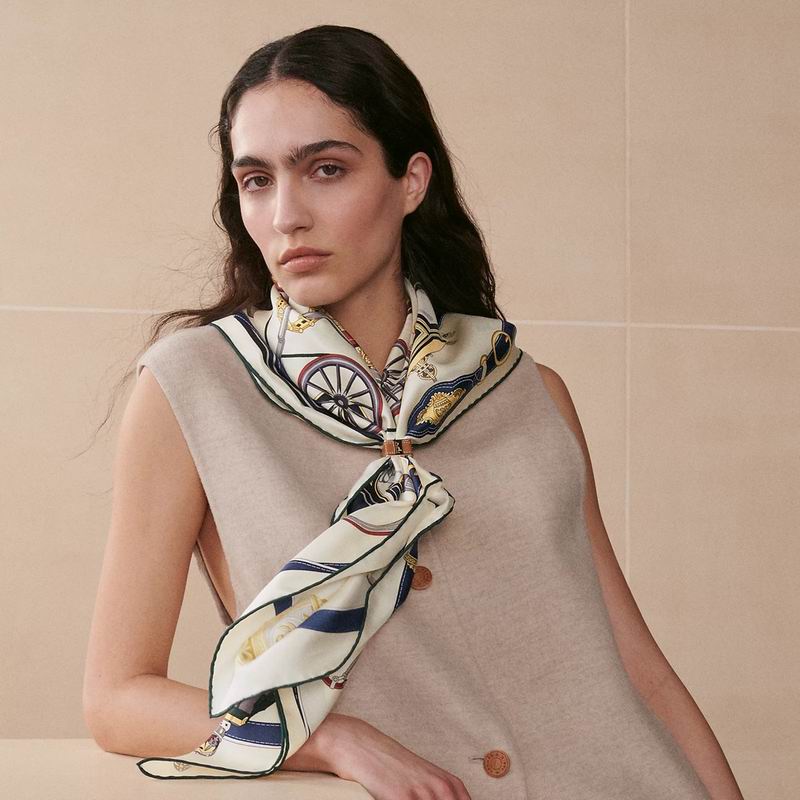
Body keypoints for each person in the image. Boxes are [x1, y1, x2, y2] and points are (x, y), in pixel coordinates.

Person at [83, 24, 743, 800]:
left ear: (411, 181)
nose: (286, 214)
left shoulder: (527, 390)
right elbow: (117, 698)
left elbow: (637, 668)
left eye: (326, 169)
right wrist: (329, 738)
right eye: (256, 180)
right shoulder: (195, 388)